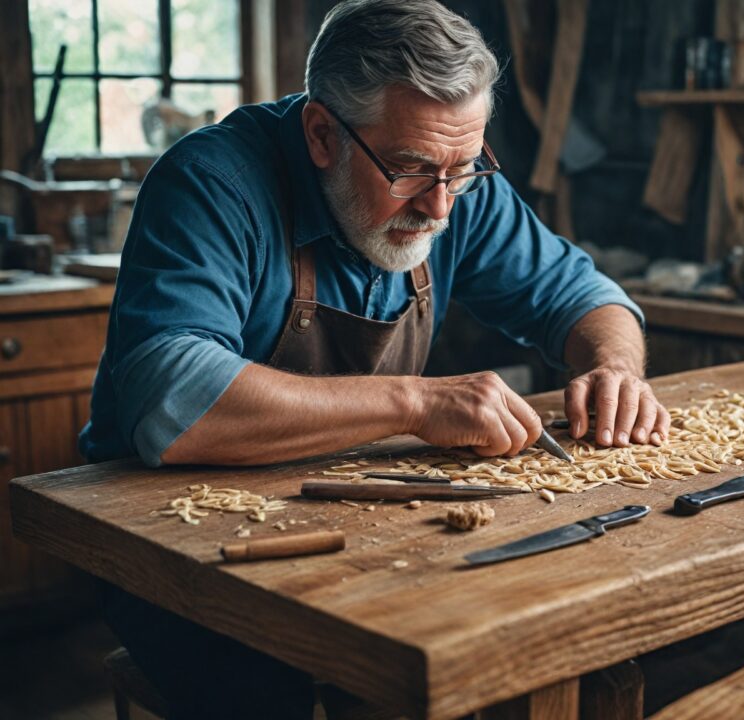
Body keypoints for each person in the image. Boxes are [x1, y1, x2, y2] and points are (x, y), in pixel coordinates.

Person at [80, 1, 670, 716]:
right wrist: (417, 403)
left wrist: (615, 367)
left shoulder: (450, 177)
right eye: (411, 169)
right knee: (268, 698)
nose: (443, 206)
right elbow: (172, 405)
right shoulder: (212, 182)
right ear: (323, 134)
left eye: (465, 167)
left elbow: (584, 294)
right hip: (172, 540)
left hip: (355, 515)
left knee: (463, 666)